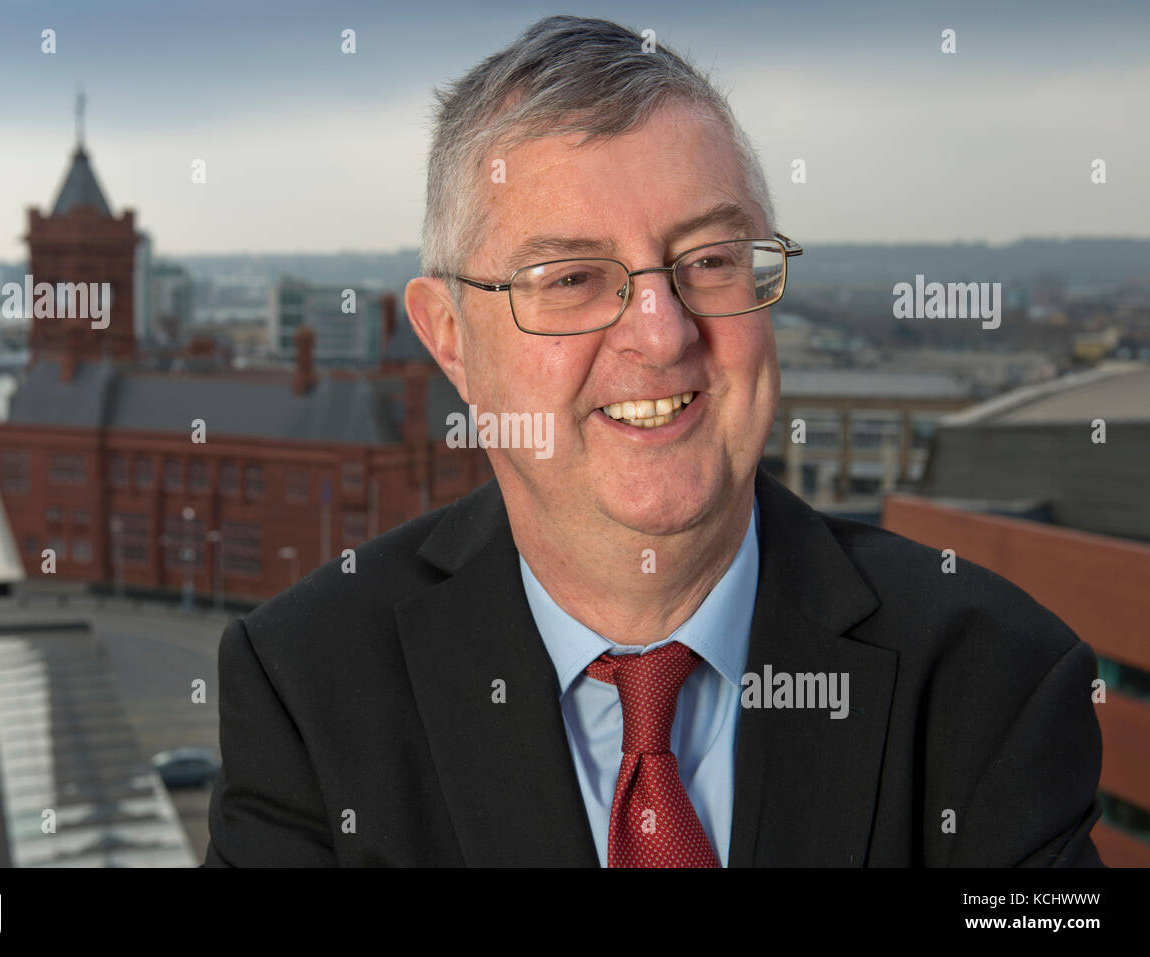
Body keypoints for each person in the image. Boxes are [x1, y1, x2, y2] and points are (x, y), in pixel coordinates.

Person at [204, 14, 1103, 867]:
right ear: (449, 338)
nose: (662, 332)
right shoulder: (307, 683)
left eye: (710, 260)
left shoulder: (993, 679)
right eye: (572, 278)